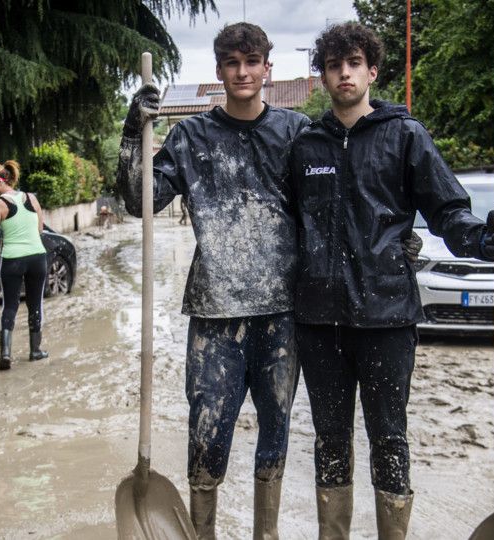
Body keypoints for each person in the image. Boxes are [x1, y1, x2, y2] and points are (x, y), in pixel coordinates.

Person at [287, 23, 494, 539]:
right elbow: (287, 226)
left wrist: (482, 239)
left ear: (372, 71)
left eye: (354, 63)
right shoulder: (306, 146)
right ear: (323, 77)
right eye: (334, 65)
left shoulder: (405, 135)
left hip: (388, 317)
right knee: (329, 440)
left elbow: (447, 210)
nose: (344, 73)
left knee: (390, 440)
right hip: (318, 320)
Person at [118, 22, 310, 539]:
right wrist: (132, 134)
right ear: (219, 70)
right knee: (206, 436)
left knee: (276, 430)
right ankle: (204, 534)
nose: (242, 72)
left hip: (281, 311)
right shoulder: (191, 136)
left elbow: (332, 203)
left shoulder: (296, 132)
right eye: (232, 63)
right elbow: (139, 201)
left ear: (268, 68)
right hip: (214, 313)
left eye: (251, 62)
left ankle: (266, 534)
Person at [0, 160, 50, 371]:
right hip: (37, 259)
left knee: (10, 306)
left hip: (13, 260)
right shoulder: (31, 198)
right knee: (35, 304)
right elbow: (40, 229)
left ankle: (6, 354)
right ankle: (35, 351)